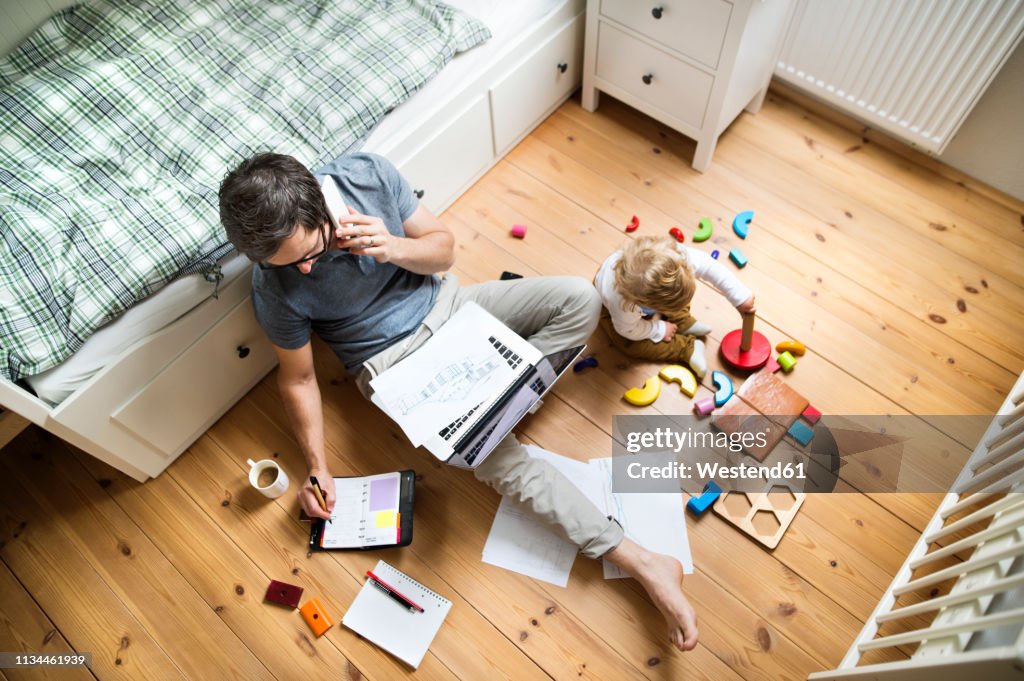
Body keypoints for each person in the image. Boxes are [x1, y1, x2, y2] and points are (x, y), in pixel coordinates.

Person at [218, 151, 699, 651]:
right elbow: (298, 380)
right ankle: (640, 559)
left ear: (319, 204)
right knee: (491, 456)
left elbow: (443, 251)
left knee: (580, 298)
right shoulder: (273, 286)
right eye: (291, 265)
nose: (307, 267)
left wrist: (393, 248)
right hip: (394, 365)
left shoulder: (363, 175)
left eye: (310, 251)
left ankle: (494, 407)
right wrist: (317, 465)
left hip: (452, 307)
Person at [594, 235, 755, 377]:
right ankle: (685, 349)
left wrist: (739, 296)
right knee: (627, 344)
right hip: (615, 312)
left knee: (677, 294)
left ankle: (682, 320)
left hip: (649, 297)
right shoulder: (623, 306)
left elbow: (709, 266)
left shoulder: (677, 257)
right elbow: (628, 330)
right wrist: (659, 329)